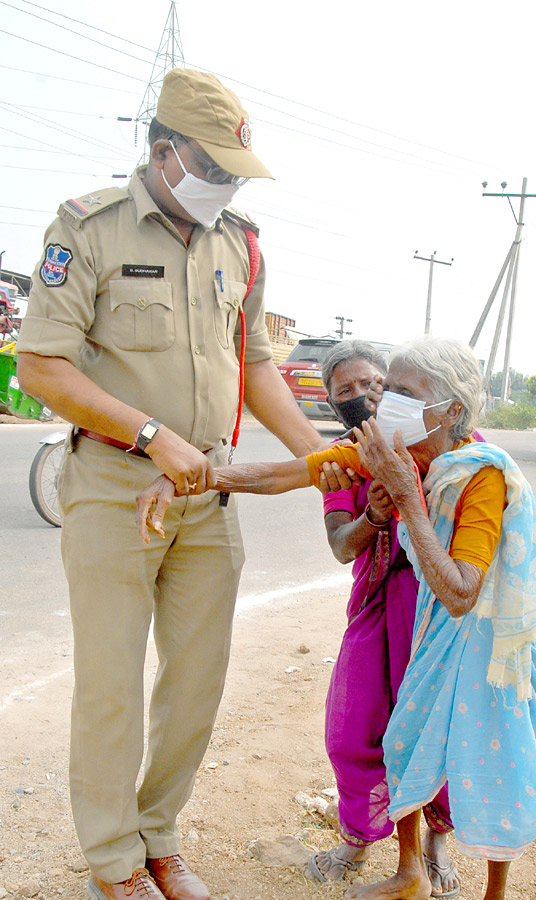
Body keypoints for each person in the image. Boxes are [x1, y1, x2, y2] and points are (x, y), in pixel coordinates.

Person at [16, 68, 326, 900]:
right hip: (116, 487)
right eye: (214, 169)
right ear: (164, 152)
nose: (225, 186)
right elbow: (40, 364)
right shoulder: (89, 229)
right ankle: (113, 858)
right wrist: (152, 437)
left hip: (208, 494)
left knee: (196, 680)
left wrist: (326, 460)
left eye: (236, 173)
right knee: (112, 686)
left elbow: (256, 364)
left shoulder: (241, 243)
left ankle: (159, 834)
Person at [137, 337, 536, 900]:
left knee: (491, 748)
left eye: (401, 393)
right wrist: (189, 478)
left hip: (495, 626)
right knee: (406, 734)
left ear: (451, 411)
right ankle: (410, 872)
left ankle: (494, 890)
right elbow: (280, 475)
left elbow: (462, 592)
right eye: (386, 389)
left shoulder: (479, 472)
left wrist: (405, 493)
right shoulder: (382, 448)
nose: (382, 402)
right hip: (421, 616)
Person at [307, 341, 458, 896]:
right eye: (345, 391)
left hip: (438, 608)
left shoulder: (442, 444)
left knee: (437, 728)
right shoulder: (340, 462)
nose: (362, 397)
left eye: (373, 384)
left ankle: (436, 843)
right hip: (376, 607)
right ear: (331, 403)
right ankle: (358, 837)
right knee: (354, 728)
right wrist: (374, 513)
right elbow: (342, 545)